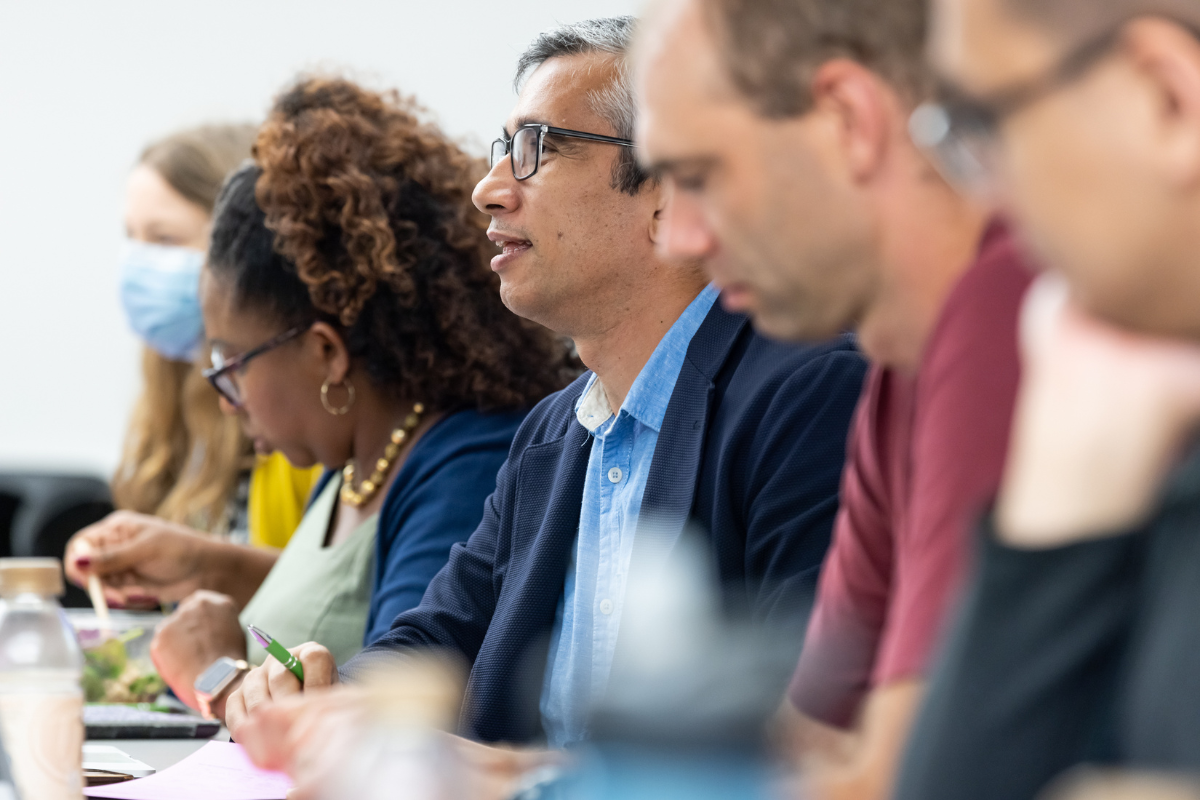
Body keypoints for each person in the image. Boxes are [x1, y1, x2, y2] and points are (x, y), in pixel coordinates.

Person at [225, 16, 866, 770]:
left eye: (536, 150)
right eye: (502, 152)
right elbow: (439, 634)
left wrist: (515, 780)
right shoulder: (553, 433)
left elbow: (807, 743)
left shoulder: (806, 393)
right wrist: (327, 698)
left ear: (666, 184)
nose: (488, 191)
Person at [71, 77, 577, 718]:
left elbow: (390, 725)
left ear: (325, 355)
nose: (225, 396)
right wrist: (211, 565)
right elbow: (345, 598)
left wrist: (216, 675)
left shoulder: (462, 466)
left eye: (233, 361)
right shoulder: (352, 463)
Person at [633, 0, 1034, 797]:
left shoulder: (1000, 307)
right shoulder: (900, 368)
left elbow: (899, 780)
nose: (676, 236)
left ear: (849, 119)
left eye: (699, 176)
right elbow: (801, 752)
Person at [889, 0, 1200, 798]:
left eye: (984, 121)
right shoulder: (1138, 394)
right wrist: (1063, 495)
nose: (987, 200)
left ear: (1167, 98)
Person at [111, 124, 321, 546]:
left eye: (164, 238)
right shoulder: (167, 388)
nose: (139, 262)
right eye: (132, 237)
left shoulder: (300, 417)